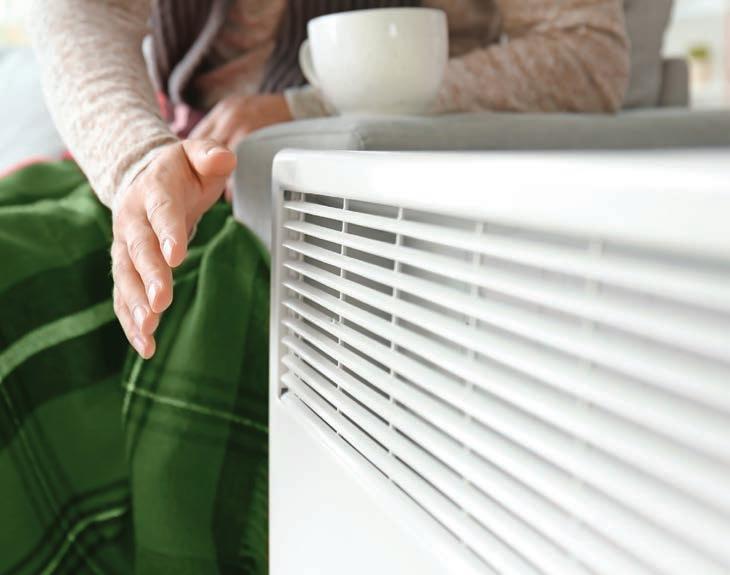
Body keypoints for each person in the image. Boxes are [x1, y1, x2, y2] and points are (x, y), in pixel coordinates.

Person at [26, 0, 629, 361]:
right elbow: (79, 14)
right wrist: (135, 159)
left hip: (353, 198)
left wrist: (307, 109)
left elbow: (587, 53)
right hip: (166, 161)